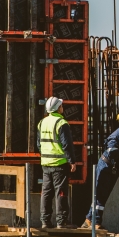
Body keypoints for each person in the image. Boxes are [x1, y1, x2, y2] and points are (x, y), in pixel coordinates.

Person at [38, 97, 77, 229]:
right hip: (59, 164)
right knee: (61, 192)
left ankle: (45, 221)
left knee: (46, 192)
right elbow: (67, 145)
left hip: (45, 163)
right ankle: (61, 222)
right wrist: (72, 161)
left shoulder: (42, 123)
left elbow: (39, 144)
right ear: (58, 108)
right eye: (61, 105)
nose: (62, 107)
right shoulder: (61, 123)